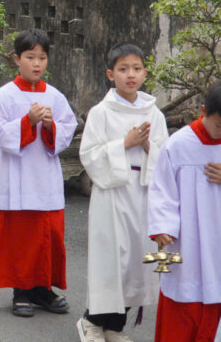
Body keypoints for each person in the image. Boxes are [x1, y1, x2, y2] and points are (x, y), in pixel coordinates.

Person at [76, 44, 169, 342]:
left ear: (145, 72)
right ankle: (91, 321)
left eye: (137, 68)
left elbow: (166, 157)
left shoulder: (154, 114)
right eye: (123, 69)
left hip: (142, 193)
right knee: (110, 261)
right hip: (112, 194)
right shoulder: (101, 113)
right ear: (110, 74)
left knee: (135, 264)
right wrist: (124, 144)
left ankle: (115, 327)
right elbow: (89, 154)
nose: (131, 75)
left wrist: (147, 148)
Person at [0, 28, 78, 317]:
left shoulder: (55, 96)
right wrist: (28, 121)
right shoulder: (4, 96)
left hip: (45, 177)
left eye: (42, 57)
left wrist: (51, 126)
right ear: (17, 59)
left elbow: (68, 129)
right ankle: (21, 291)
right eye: (30, 57)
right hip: (17, 177)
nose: (36, 63)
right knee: (21, 236)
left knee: (47, 234)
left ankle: (42, 289)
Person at [148, 81, 221, 342]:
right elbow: (161, 191)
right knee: (182, 304)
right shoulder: (178, 145)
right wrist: (162, 227)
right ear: (203, 111)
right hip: (186, 243)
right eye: (219, 125)